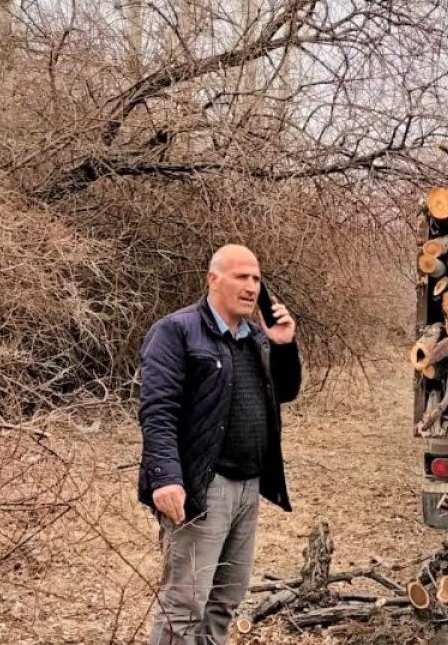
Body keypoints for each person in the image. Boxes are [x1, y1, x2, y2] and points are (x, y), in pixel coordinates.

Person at [139, 244, 302, 645]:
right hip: (203, 486)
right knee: (185, 604)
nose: (251, 287)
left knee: (225, 601)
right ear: (213, 280)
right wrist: (165, 478)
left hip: (248, 487)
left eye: (257, 279)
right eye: (241, 277)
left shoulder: (255, 339)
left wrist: (283, 343)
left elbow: (286, 391)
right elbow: (157, 411)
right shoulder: (176, 331)